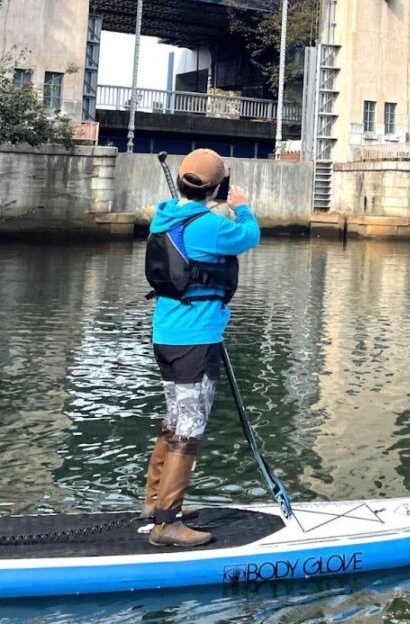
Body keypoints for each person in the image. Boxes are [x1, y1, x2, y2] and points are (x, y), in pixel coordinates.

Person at [142, 148, 260, 547]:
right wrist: (241, 207)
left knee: (175, 419)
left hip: (165, 334)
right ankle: (167, 524)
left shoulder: (164, 216)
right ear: (216, 188)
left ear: (180, 182)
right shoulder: (211, 226)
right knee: (190, 428)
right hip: (196, 339)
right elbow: (250, 236)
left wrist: (211, 203)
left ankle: (154, 502)